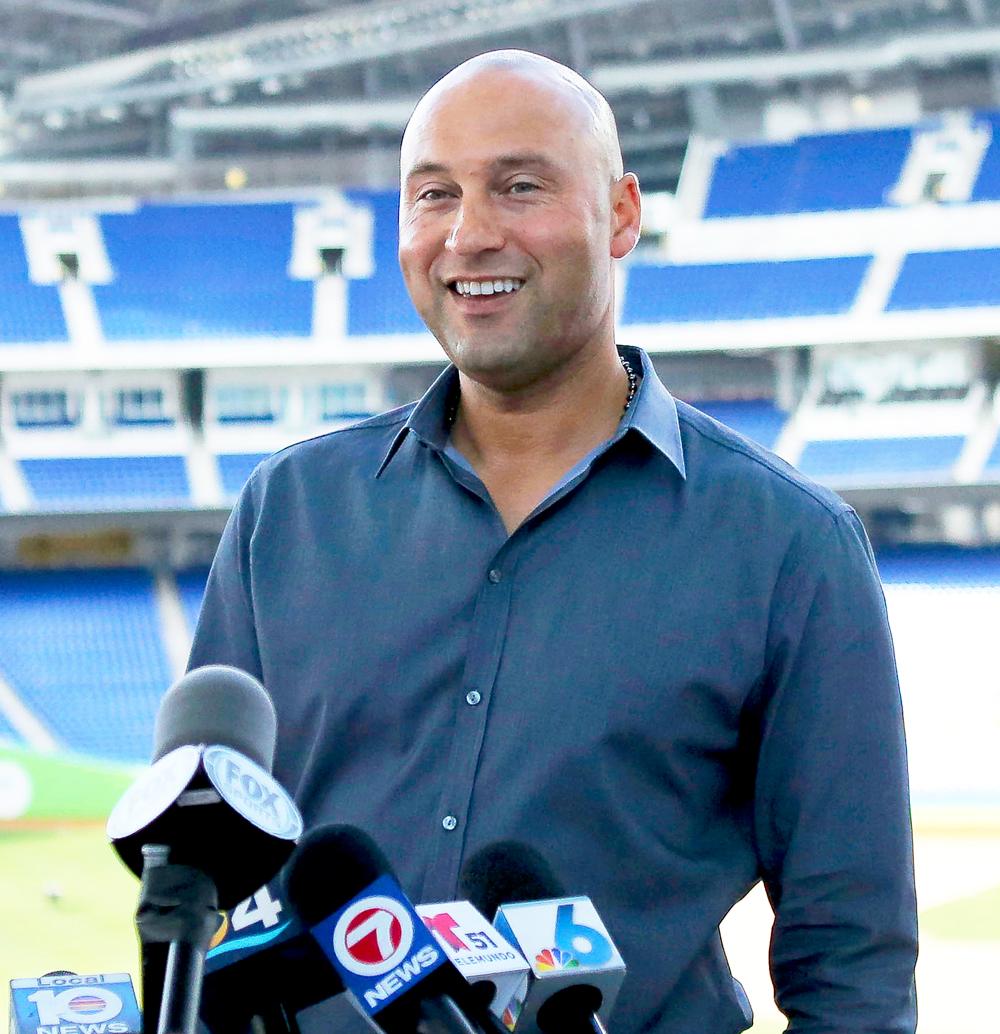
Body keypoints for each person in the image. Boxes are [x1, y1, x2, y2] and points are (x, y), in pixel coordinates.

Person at [189, 50, 917, 1034]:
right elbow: (203, 874)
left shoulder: (792, 545)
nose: (468, 233)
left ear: (621, 213)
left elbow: (852, 965)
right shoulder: (287, 512)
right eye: (433, 193)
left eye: (518, 185)